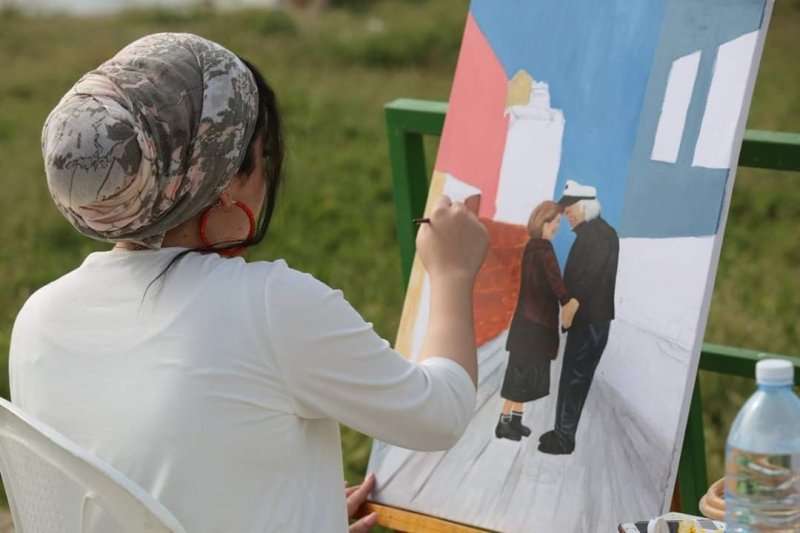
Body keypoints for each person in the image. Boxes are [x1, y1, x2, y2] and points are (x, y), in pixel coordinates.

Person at [9, 33, 489, 532]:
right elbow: (440, 414)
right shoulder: (270, 306)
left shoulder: (39, 318)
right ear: (221, 180)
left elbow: (142, 476)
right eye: (263, 156)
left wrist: (306, 510)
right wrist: (451, 274)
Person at [538, 180, 619, 455]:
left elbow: (589, 277)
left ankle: (564, 438)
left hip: (591, 321)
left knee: (576, 378)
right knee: (571, 375)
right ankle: (561, 431)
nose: (566, 215)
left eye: (569, 210)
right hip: (585, 321)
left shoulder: (600, 234)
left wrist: (572, 305)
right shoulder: (590, 234)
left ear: (584, 207)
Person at [494, 200, 578, 441]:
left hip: (527, 322)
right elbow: (555, 279)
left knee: (523, 375)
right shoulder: (544, 249)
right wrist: (566, 301)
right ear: (544, 222)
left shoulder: (531, 247)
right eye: (555, 222)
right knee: (520, 376)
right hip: (535, 324)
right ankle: (504, 423)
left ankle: (515, 420)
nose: (557, 227)